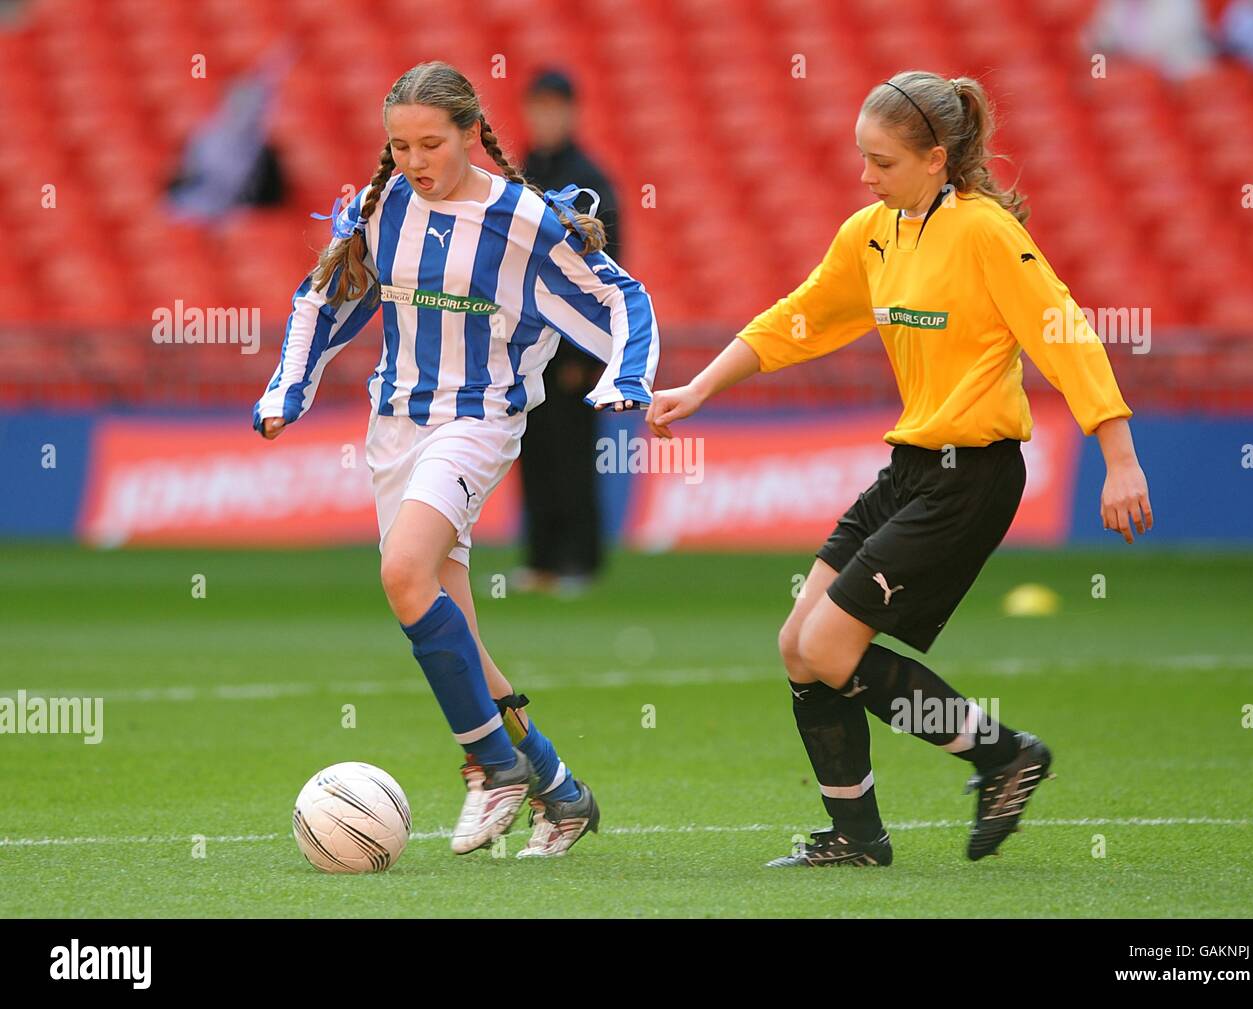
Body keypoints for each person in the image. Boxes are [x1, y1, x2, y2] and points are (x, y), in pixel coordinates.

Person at [648, 70, 1153, 867]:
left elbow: (1065, 331)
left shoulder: (985, 232)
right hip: (911, 467)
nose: (865, 175)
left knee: (830, 644)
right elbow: (799, 318)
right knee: (798, 644)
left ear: (935, 159)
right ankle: (857, 836)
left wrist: (1118, 455)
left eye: (880, 161)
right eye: (863, 158)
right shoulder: (873, 231)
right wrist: (702, 385)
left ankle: (1004, 756)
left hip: (973, 476)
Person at [254, 61, 659, 858]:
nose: (413, 160)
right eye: (399, 145)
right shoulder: (385, 208)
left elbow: (620, 296)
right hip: (394, 428)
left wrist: (628, 378)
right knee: (458, 636)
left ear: (471, 135)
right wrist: (286, 390)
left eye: (430, 143)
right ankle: (562, 790)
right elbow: (327, 294)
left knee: (403, 574)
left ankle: (490, 765)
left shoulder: (523, 219)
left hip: (477, 422)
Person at [515, 69, 623, 595]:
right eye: (538, 106)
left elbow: (606, 270)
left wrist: (590, 351)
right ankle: (541, 559)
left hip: (573, 347)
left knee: (573, 453)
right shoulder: (523, 174)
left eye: (554, 107)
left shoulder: (590, 181)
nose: (546, 117)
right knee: (532, 450)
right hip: (526, 342)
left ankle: (580, 560)